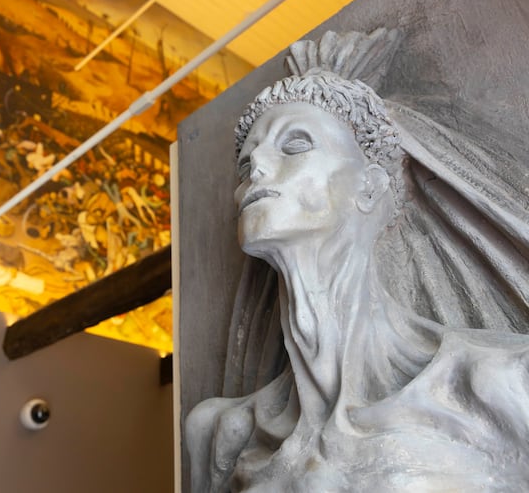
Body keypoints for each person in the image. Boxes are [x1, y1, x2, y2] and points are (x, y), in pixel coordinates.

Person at [185, 29, 529, 492]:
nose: (258, 169)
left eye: (295, 145)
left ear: (370, 186)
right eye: (246, 165)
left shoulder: (497, 383)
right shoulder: (221, 430)